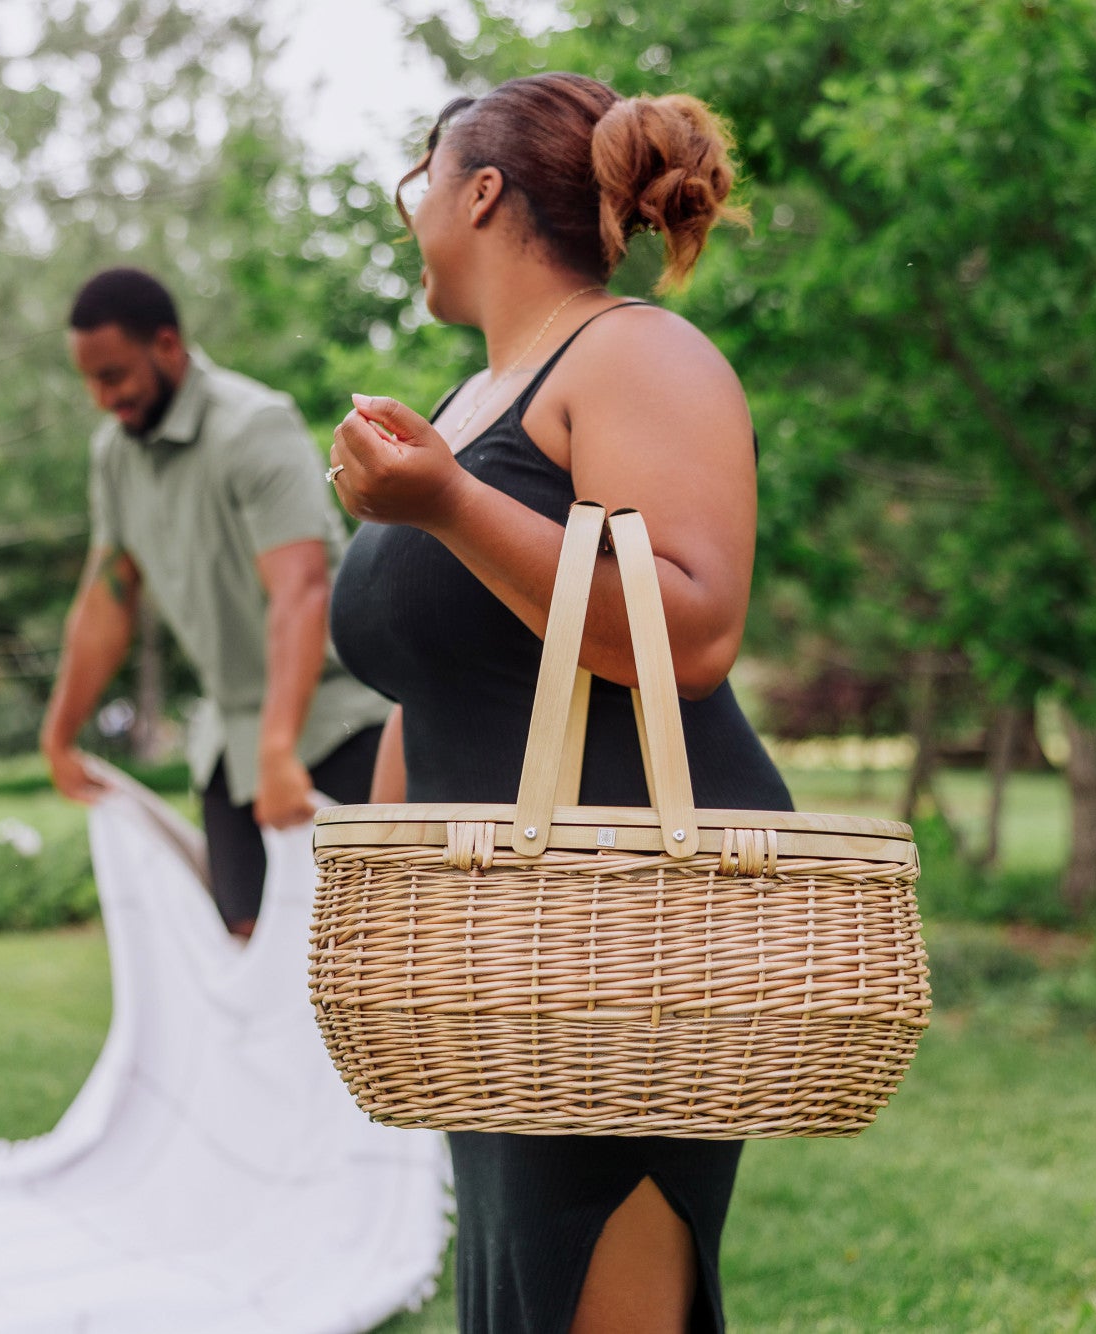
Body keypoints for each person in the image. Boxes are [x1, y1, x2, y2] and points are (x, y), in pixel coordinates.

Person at [326, 75, 794, 1334]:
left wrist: (444, 507)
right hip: (503, 951)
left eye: (417, 179)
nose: (407, 208)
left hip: (627, 930)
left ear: (477, 191)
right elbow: (442, 680)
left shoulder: (634, 350)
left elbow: (688, 624)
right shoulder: (461, 404)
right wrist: (392, 904)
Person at [41, 268, 392, 938]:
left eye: (113, 376)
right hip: (231, 744)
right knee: (246, 952)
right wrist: (59, 733)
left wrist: (281, 748)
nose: (101, 398)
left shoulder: (255, 427)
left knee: (353, 957)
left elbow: (301, 588)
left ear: (168, 345)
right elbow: (107, 600)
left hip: (335, 727)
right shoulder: (114, 455)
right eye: (88, 380)